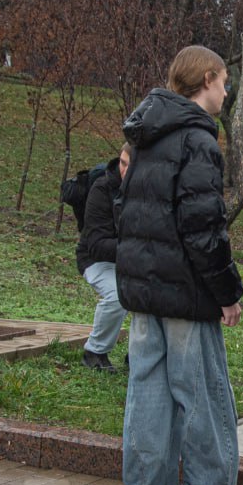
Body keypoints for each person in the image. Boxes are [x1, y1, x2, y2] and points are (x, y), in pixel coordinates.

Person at [115, 46, 243, 485]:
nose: (226, 92)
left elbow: (125, 209)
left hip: (145, 291)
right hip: (186, 294)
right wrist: (226, 292)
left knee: (146, 393)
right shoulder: (197, 141)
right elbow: (203, 227)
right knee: (201, 395)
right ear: (207, 79)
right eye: (224, 83)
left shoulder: (145, 135)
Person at [75, 145, 131, 374]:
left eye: (131, 165)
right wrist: (136, 249)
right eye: (123, 163)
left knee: (155, 297)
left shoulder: (150, 189)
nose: (125, 170)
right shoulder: (101, 188)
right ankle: (95, 352)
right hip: (97, 259)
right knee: (118, 295)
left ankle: (140, 354)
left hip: (137, 260)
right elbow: (96, 245)